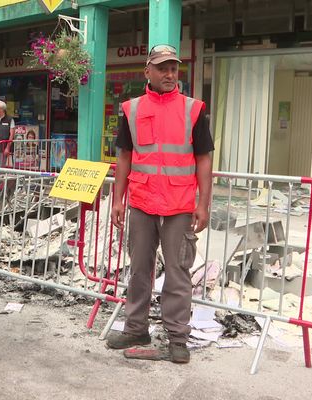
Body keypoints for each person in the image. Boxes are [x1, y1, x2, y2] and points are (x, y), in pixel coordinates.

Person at [106, 44, 214, 364]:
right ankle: (136, 328)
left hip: (179, 203)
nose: (169, 74)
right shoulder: (132, 109)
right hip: (141, 200)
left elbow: (203, 159)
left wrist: (204, 204)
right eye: (163, 68)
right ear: (148, 72)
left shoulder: (193, 109)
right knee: (139, 268)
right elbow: (124, 156)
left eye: (173, 68)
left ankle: (177, 337)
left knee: (178, 271)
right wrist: (117, 200)